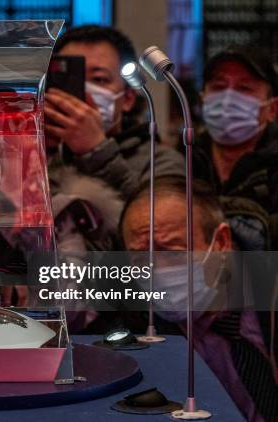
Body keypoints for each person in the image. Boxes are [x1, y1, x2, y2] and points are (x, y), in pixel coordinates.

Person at [121, 176, 277, 421]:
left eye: (173, 255)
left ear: (221, 242)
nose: (158, 273)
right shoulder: (129, 327)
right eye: (141, 259)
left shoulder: (268, 288)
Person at [45, 25, 184, 199]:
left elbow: (155, 221)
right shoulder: (42, 151)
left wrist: (96, 152)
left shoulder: (159, 161)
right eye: (71, 78)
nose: (85, 92)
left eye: (99, 79)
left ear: (127, 98)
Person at [192, 46, 278, 248]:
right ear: (203, 98)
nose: (228, 99)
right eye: (219, 86)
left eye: (244, 88)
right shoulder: (182, 160)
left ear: (272, 109)